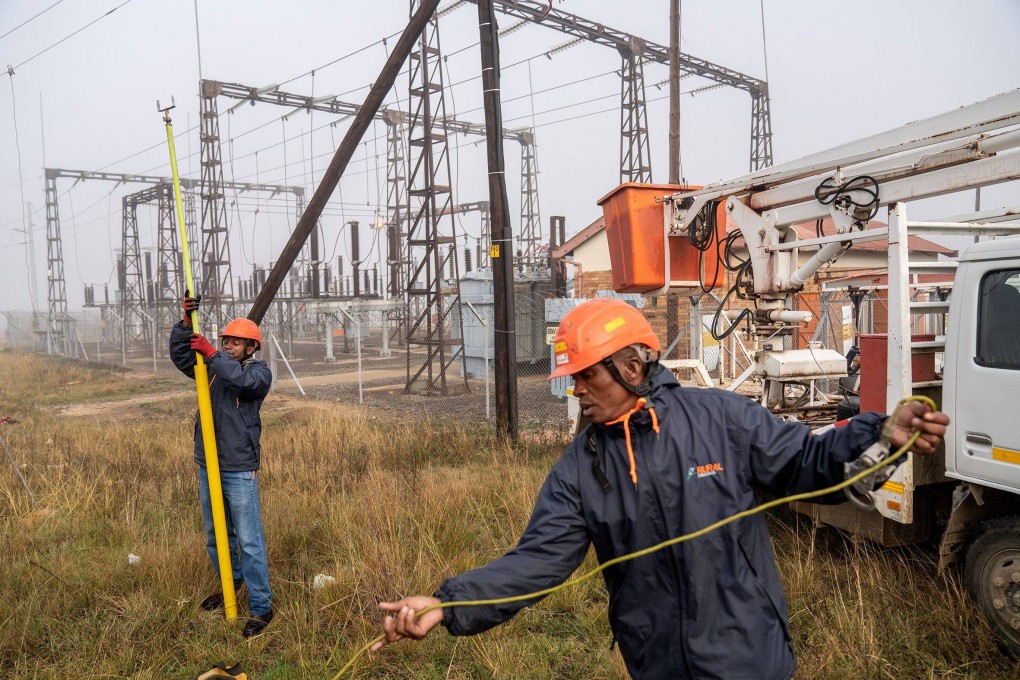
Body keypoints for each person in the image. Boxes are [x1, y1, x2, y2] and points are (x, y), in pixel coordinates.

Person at [371, 298, 949, 679]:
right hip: (657, 665)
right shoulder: (581, 468)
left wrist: (877, 433)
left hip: (750, 658)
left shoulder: (721, 419)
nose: (577, 392)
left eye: (586, 375)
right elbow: (537, 562)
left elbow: (811, 462)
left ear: (629, 366)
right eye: (573, 380)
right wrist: (448, 604)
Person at [169, 294, 274, 639]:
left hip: (238, 468)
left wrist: (213, 353)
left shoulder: (257, 373)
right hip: (207, 464)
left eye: (235, 342)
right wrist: (186, 326)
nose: (228, 345)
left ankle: (261, 608)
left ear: (250, 347)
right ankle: (233, 583)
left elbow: (241, 382)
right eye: (225, 340)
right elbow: (183, 356)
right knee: (216, 536)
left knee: (249, 538)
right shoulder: (212, 369)